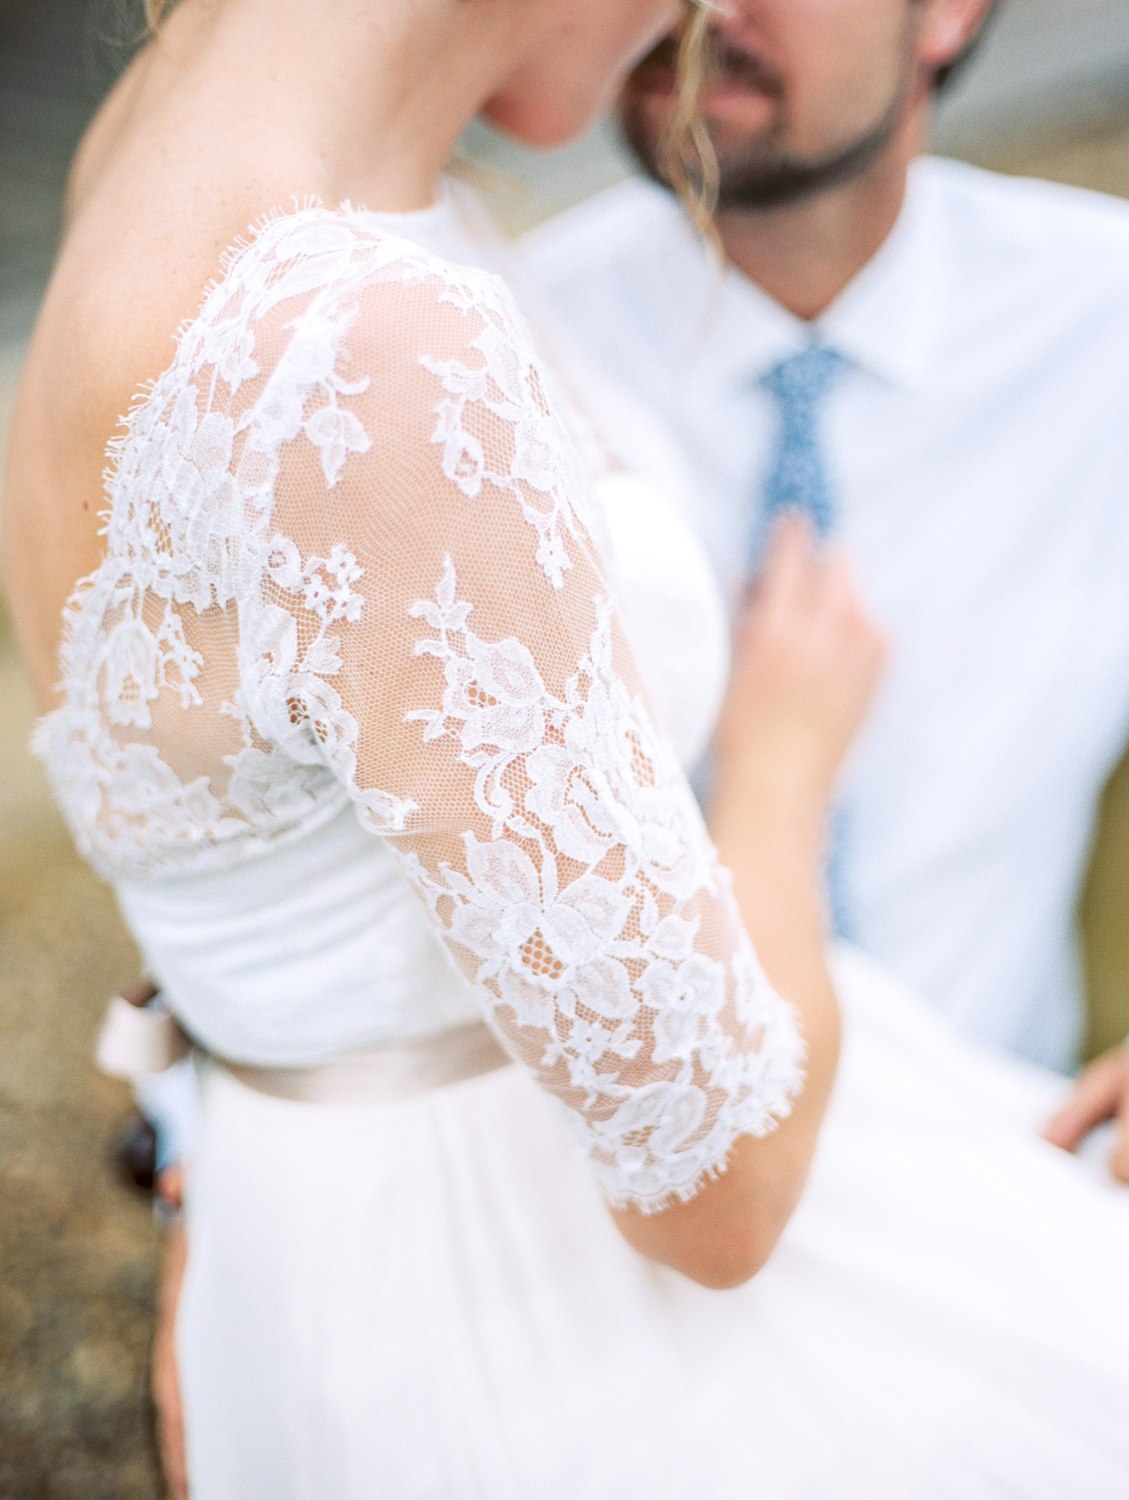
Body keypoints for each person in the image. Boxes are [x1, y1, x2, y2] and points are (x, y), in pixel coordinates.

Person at [4, 2, 1129, 1498]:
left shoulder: (217, 177)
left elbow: (234, 782)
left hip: (915, 1127)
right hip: (556, 1313)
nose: (697, 12)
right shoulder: (384, 343)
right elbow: (715, 1194)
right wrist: (782, 766)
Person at [525, 0, 1129, 1149]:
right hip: (602, 1186)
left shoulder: (1106, 325)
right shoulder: (480, 354)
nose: (695, 13)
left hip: (1007, 1160)